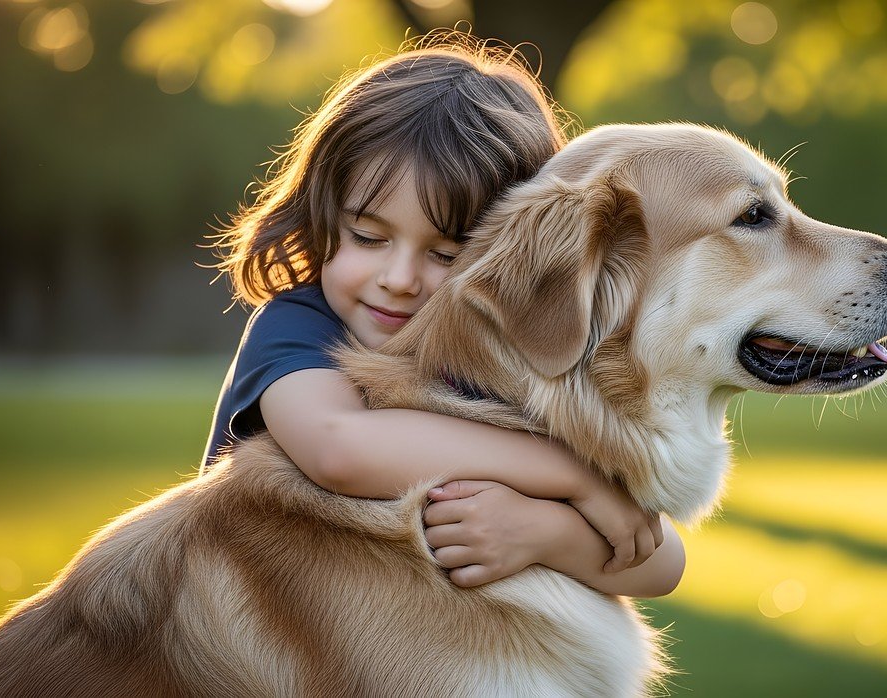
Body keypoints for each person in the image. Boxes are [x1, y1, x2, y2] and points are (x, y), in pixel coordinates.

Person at [203, 35, 685, 598]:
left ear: (513, 263)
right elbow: (338, 447)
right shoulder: (297, 326)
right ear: (320, 214)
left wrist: (545, 534)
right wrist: (573, 475)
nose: (399, 279)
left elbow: (661, 563)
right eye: (368, 237)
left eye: (446, 254)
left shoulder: (516, 359)